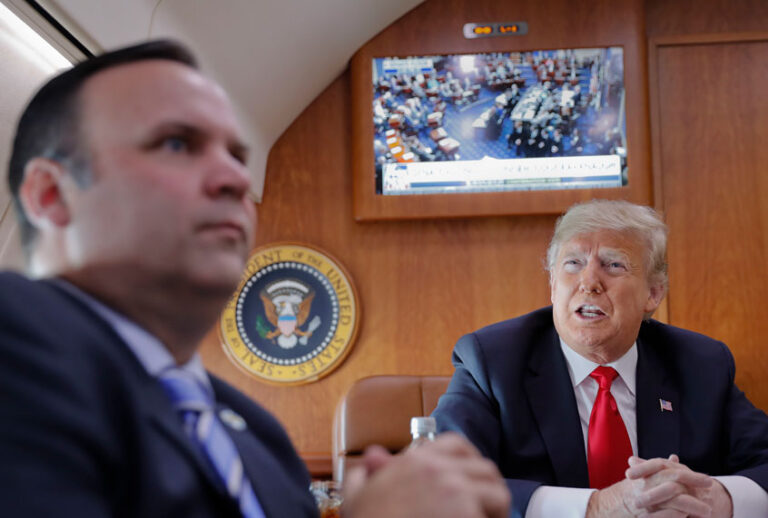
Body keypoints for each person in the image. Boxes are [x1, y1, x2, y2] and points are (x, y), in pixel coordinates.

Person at [0, 40, 510, 518]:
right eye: (177, 143)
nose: (236, 179)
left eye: (236, 157)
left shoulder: (256, 432)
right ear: (50, 194)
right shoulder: (15, 341)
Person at [433, 200, 768, 518]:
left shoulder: (700, 363)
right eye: (573, 264)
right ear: (553, 285)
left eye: (613, 264)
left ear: (652, 293)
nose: (589, 282)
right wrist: (595, 507)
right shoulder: (492, 362)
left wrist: (715, 498)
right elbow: (441, 481)